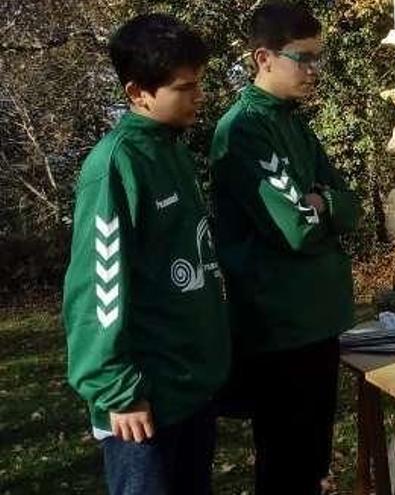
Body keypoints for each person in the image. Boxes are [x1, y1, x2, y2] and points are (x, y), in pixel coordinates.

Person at [62, 13, 229, 495]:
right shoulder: (116, 166)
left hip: (192, 387)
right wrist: (117, 390)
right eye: (184, 87)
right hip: (143, 405)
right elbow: (98, 287)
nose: (198, 95)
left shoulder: (171, 149)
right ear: (138, 93)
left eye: (198, 82)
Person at [210, 2, 358, 493]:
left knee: (311, 465)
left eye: (319, 57)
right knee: (286, 469)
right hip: (280, 327)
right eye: (304, 57)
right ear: (263, 58)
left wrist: (326, 203)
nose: (315, 70)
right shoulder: (246, 128)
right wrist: (320, 207)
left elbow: (350, 205)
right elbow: (296, 227)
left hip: (319, 321)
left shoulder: (294, 121)